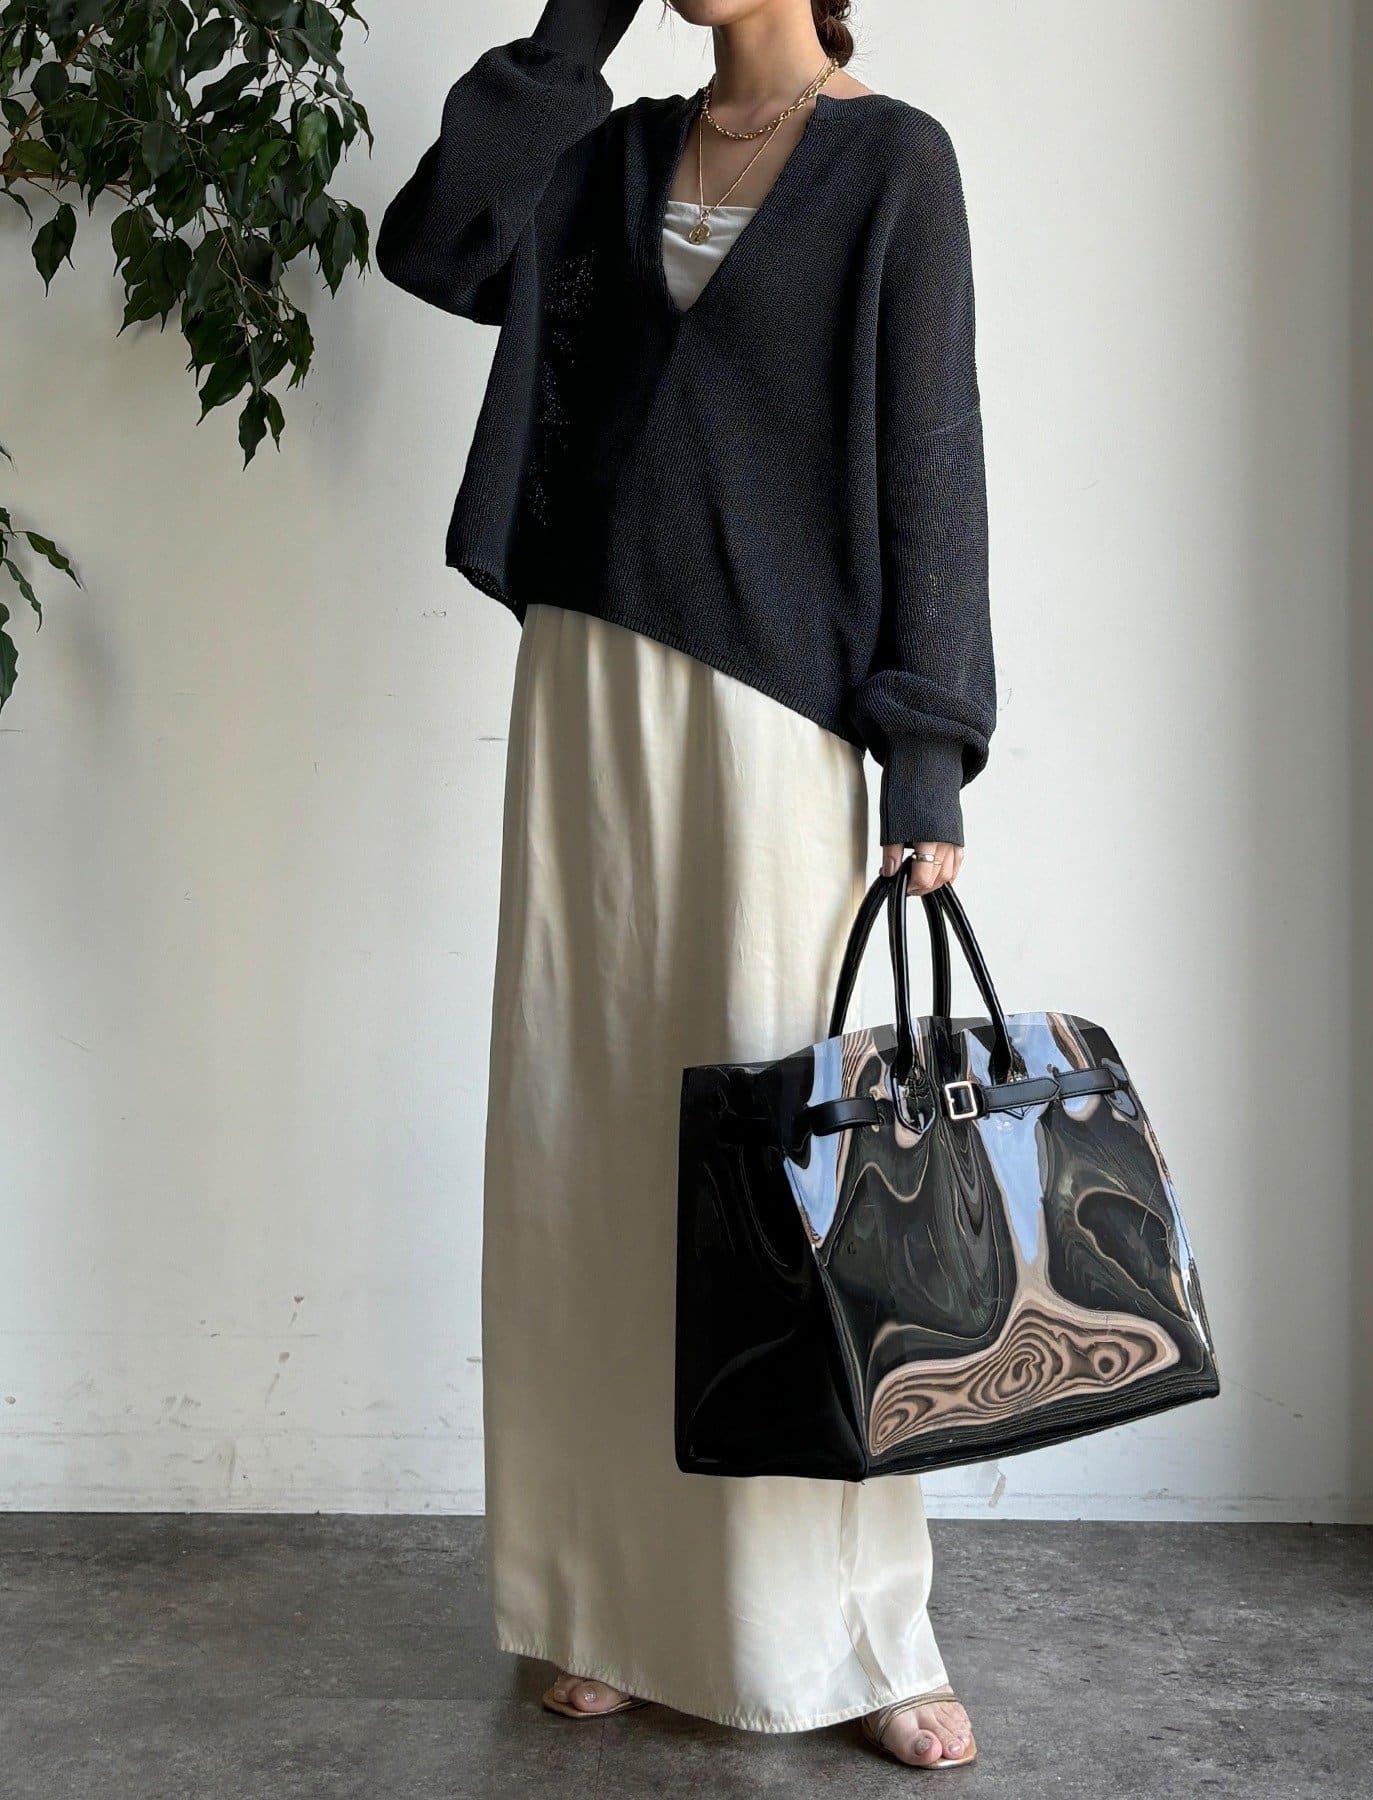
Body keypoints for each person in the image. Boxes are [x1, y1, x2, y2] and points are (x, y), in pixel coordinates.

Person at [376, 0, 994, 1770]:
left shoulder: (897, 164)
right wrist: (571, 26)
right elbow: (437, 243)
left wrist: (927, 742)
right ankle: (596, 1597)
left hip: (775, 716)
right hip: (585, 689)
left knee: (787, 1172)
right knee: (583, 1138)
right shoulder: (609, 150)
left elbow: (932, 451)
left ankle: (854, 1628)